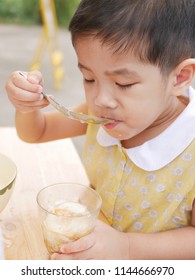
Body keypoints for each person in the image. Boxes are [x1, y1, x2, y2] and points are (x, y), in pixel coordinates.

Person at [6, 0, 195, 259]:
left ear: (180, 78)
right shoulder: (100, 114)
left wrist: (127, 247)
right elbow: (36, 132)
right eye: (89, 78)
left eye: (124, 83)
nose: (100, 99)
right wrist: (26, 106)